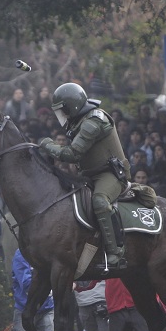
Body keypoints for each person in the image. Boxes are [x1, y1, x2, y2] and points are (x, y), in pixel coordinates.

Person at [39, 83, 134, 268]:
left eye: (63, 111)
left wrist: (48, 145)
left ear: (72, 106)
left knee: (100, 201)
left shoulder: (93, 122)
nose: (62, 116)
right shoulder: (80, 120)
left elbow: (72, 154)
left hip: (111, 175)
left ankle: (116, 252)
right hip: (90, 176)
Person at [11, 249, 55, 331]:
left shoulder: (50, 251)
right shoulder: (22, 253)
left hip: (46, 309)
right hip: (24, 309)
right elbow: (26, 283)